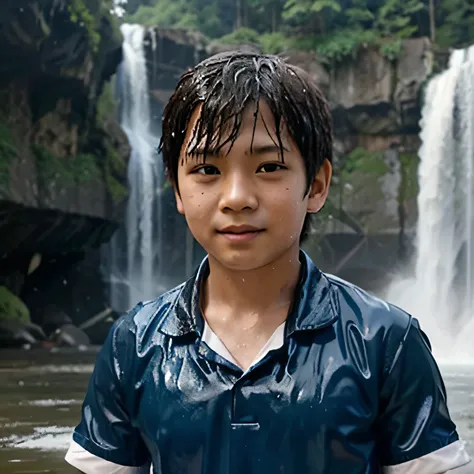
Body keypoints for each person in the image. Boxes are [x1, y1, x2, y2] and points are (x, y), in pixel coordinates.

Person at [65, 51, 471, 474]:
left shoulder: (386, 342)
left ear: (316, 185)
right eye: (207, 169)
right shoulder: (133, 344)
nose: (237, 197)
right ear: (178, 192)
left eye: (269, 166)